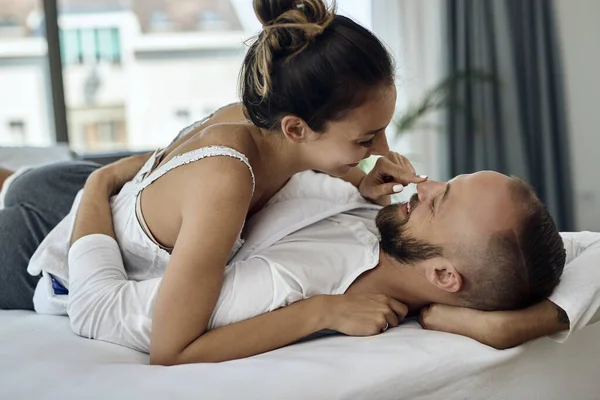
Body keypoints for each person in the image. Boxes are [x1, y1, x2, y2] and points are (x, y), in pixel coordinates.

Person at [2, 0, 429, 365]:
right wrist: (323, 312)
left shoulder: (268, 118)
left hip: (107, 192)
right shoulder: (227, 179)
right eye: (366, 138)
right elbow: (172, 349)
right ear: (296, 129)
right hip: (62, 241)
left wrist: (363, 184)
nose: (381, 148)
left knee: (18, 180)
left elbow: (330, 162)